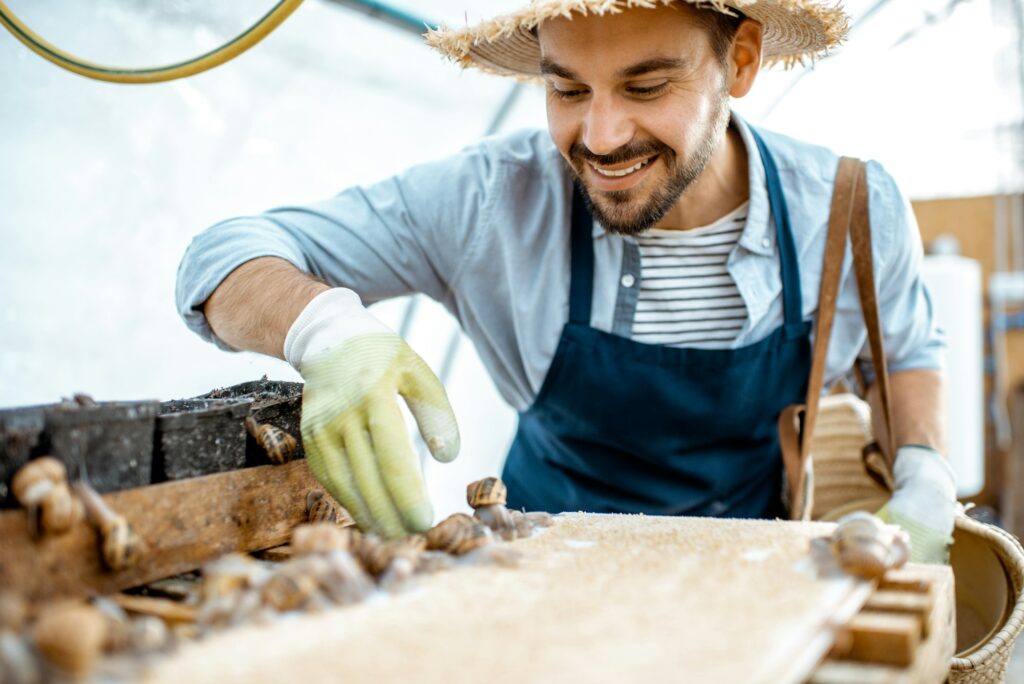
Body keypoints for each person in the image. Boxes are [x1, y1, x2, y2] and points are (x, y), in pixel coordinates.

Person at [176, 0, 956, 562]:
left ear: (741, 61)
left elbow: (910, 347)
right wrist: (325, 329)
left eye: (648, 87)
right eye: (567, 89)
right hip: (535, 578)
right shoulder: (490, 198)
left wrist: (923, 469)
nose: (602, 137)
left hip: (751, 570)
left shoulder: (851, 211)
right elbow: (223, 256)